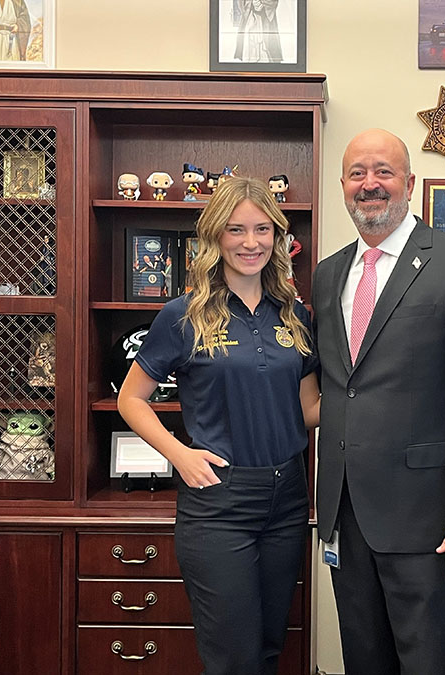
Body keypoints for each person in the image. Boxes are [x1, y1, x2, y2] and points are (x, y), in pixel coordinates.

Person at [311, 128, 445, 675]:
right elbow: (341, 387)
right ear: (343, 184)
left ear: (410, 182)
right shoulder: (328, 275)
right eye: (357, 173)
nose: (370, 184)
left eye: (384, 171)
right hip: (347, 519)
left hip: (433, 526)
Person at [118, 176, 320, 675]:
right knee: (233, 658)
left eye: (262, 229)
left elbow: (309, 410)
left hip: (288, 498)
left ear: (277, 236)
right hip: (219, 504)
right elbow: (131, 399)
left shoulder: (295, 315)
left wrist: (376, 395)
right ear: (215, 237)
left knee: (270, 647)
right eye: (236, 230)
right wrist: (180, 455)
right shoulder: (182, 315)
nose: (251, 242)